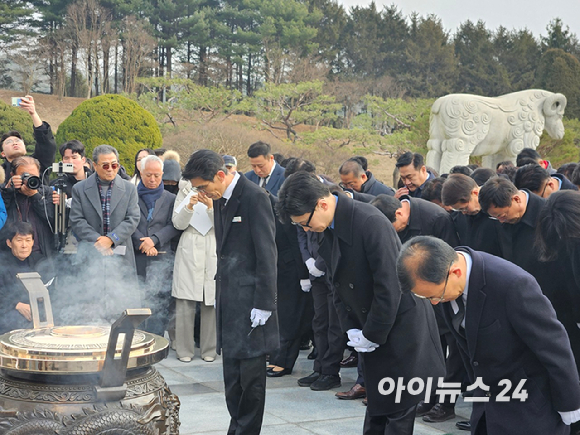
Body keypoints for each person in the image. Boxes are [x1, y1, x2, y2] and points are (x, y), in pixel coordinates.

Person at [276, 172, 445, 435]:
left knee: (397, 412)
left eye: (304, 223)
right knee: (378, 409)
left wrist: (372, 334)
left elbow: (390, 285)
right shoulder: (329, 224)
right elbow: (336, 285)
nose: (305, 230)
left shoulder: (369, 222)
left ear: (322, 204)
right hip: (371, 328)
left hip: (399, 329)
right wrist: (352, 330)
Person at [397, 236, 580, 435]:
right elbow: (467, 348)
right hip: (488, 404)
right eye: (425, 297)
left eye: (435, 296)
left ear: (455, 272)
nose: (434, 302)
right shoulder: (447, 283)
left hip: (531, 406)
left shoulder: (512, 284)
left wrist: (570, 404)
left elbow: (555, 347)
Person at [183, 150, 279, 434]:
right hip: (229, 299)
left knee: (250, 380)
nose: (203, 192)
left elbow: (267, 255)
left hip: (251, 304)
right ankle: (236, 427)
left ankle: (246, 430)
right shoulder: (221, 199)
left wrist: (264, 303)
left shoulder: (254, 198)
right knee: (232, 378)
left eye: (203, 186)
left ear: (221, 175)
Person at [69, 145, 140, 321]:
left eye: (114, 165)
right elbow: (77, 220)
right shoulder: (80, 188)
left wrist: (111, 239)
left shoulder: (129, 189)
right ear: (94, 165)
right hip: (91, 253)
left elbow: (133, 218)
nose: (110, 169)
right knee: (91, 308)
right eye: (105, 165)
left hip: (121, 254)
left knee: (121, 307)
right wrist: (99, 240)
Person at [132, 155, 180, 336]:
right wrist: (142, 242)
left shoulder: (170, 198)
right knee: (137, 300)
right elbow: (127, 222)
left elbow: (174, 225)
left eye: (157, 176)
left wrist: (154, 239)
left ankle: (156, 342)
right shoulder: (131, 195)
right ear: (141, 173)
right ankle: (136, 340)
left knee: (159, 304)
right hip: (137, 257)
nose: (152, 180)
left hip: (162, 257)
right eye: (148, 175)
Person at [172, 178, 218, 363]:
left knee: (211, 299)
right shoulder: (184, 190)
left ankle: (210, 349)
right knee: (184, 300)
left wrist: (210, 207)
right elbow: (178, 223)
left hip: (213, 242)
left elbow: (223, 224)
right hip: (190, 242)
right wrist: (188, 207)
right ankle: (184, 349)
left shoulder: (217, 191)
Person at [0, 222, 55, 333]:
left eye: (28, 240)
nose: (24, 245)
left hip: (37, 314)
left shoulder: (41, 262)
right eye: (19, 240)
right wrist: (15, 304)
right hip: (8, 314)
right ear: (9, 243)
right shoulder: (2, 263)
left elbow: (51, 290)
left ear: (33, 242)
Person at [1, 156, 55, 261]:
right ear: (13, 175)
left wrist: (36, 197)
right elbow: (1, 213)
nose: (29, 180)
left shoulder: (47, 192)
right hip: (8, 256)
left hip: (41, 255)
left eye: (33, 176)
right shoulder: (4, 191)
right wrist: (7, 191)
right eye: (24, 176)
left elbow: (52, 219)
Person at [441, 174, 502, 256]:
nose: (463, 213)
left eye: (465, 208)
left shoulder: (498, 208)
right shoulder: (457, 217)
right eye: (458, 210)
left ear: (475, 193)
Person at [1, 95, 56, 184]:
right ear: (3, 153)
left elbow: (46, 144)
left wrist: (33, 113)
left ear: (25, 148)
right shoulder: (1, 172)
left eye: (18, 141)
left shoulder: (38, 163)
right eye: (9, 142)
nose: (15, 143)